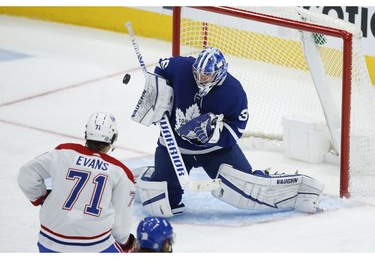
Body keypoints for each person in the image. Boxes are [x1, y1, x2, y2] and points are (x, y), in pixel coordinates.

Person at [132, 46, 324, 218]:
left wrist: (213, 137)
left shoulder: (233, 91)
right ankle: (149, 176)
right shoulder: (181, 67)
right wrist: (157, 93)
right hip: (174, 146)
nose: (200, 78)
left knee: (249, 189)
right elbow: (161, 69)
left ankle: (297, 190)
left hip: (214, 151)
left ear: (219, 73)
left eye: (206, 75)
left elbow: (237, 128)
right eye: (197, 73)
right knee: (163, 204)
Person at [17, 112, 137, 253]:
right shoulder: (121, 172)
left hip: (49, 241)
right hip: (94, 246)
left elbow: (27, 173)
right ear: (113, 138)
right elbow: (121, 224)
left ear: (86, 134)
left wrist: (41, 197)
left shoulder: (63, 152)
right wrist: (126, 242)